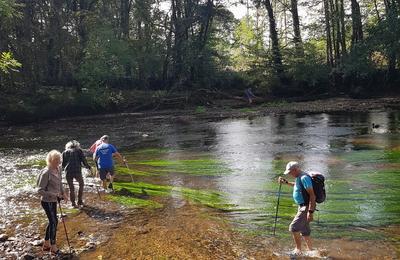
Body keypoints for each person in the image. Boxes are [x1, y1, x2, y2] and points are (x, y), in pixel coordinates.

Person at [278, 161, 316, 255]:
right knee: (304, 230)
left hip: (305, 208)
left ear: (295, 169)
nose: (290, 174)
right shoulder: (299, 177)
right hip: (302, 207)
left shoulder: (304, 178)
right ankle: (311, 251)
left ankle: (298, 250)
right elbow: (297, 186)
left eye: (290, 172)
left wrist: (310, 212)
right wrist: (286, 183)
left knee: (294, 227)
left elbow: (312, 196)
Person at [37, 150, 68, 256]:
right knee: (54, 221)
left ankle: (46, 243)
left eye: (59, 160)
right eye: (56, 161)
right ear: (50, 161)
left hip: (55, 200)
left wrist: (63, 194)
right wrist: (54, 195)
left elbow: (59, 183)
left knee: (52, 221)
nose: (59, 163)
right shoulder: (46, 172)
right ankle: (53, 246)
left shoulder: (58, 169)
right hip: (47, 201)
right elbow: (39, 190)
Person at [62, 140, 91, 208]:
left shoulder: (64, 152)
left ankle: (73, 203)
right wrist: (88, 167)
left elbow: (63, 164)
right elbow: (84, 161)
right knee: (81, 184)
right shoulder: (79, 151)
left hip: (68, 171)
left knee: (71, 188)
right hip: (77, 171)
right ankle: (79, 201)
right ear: (77, 145)